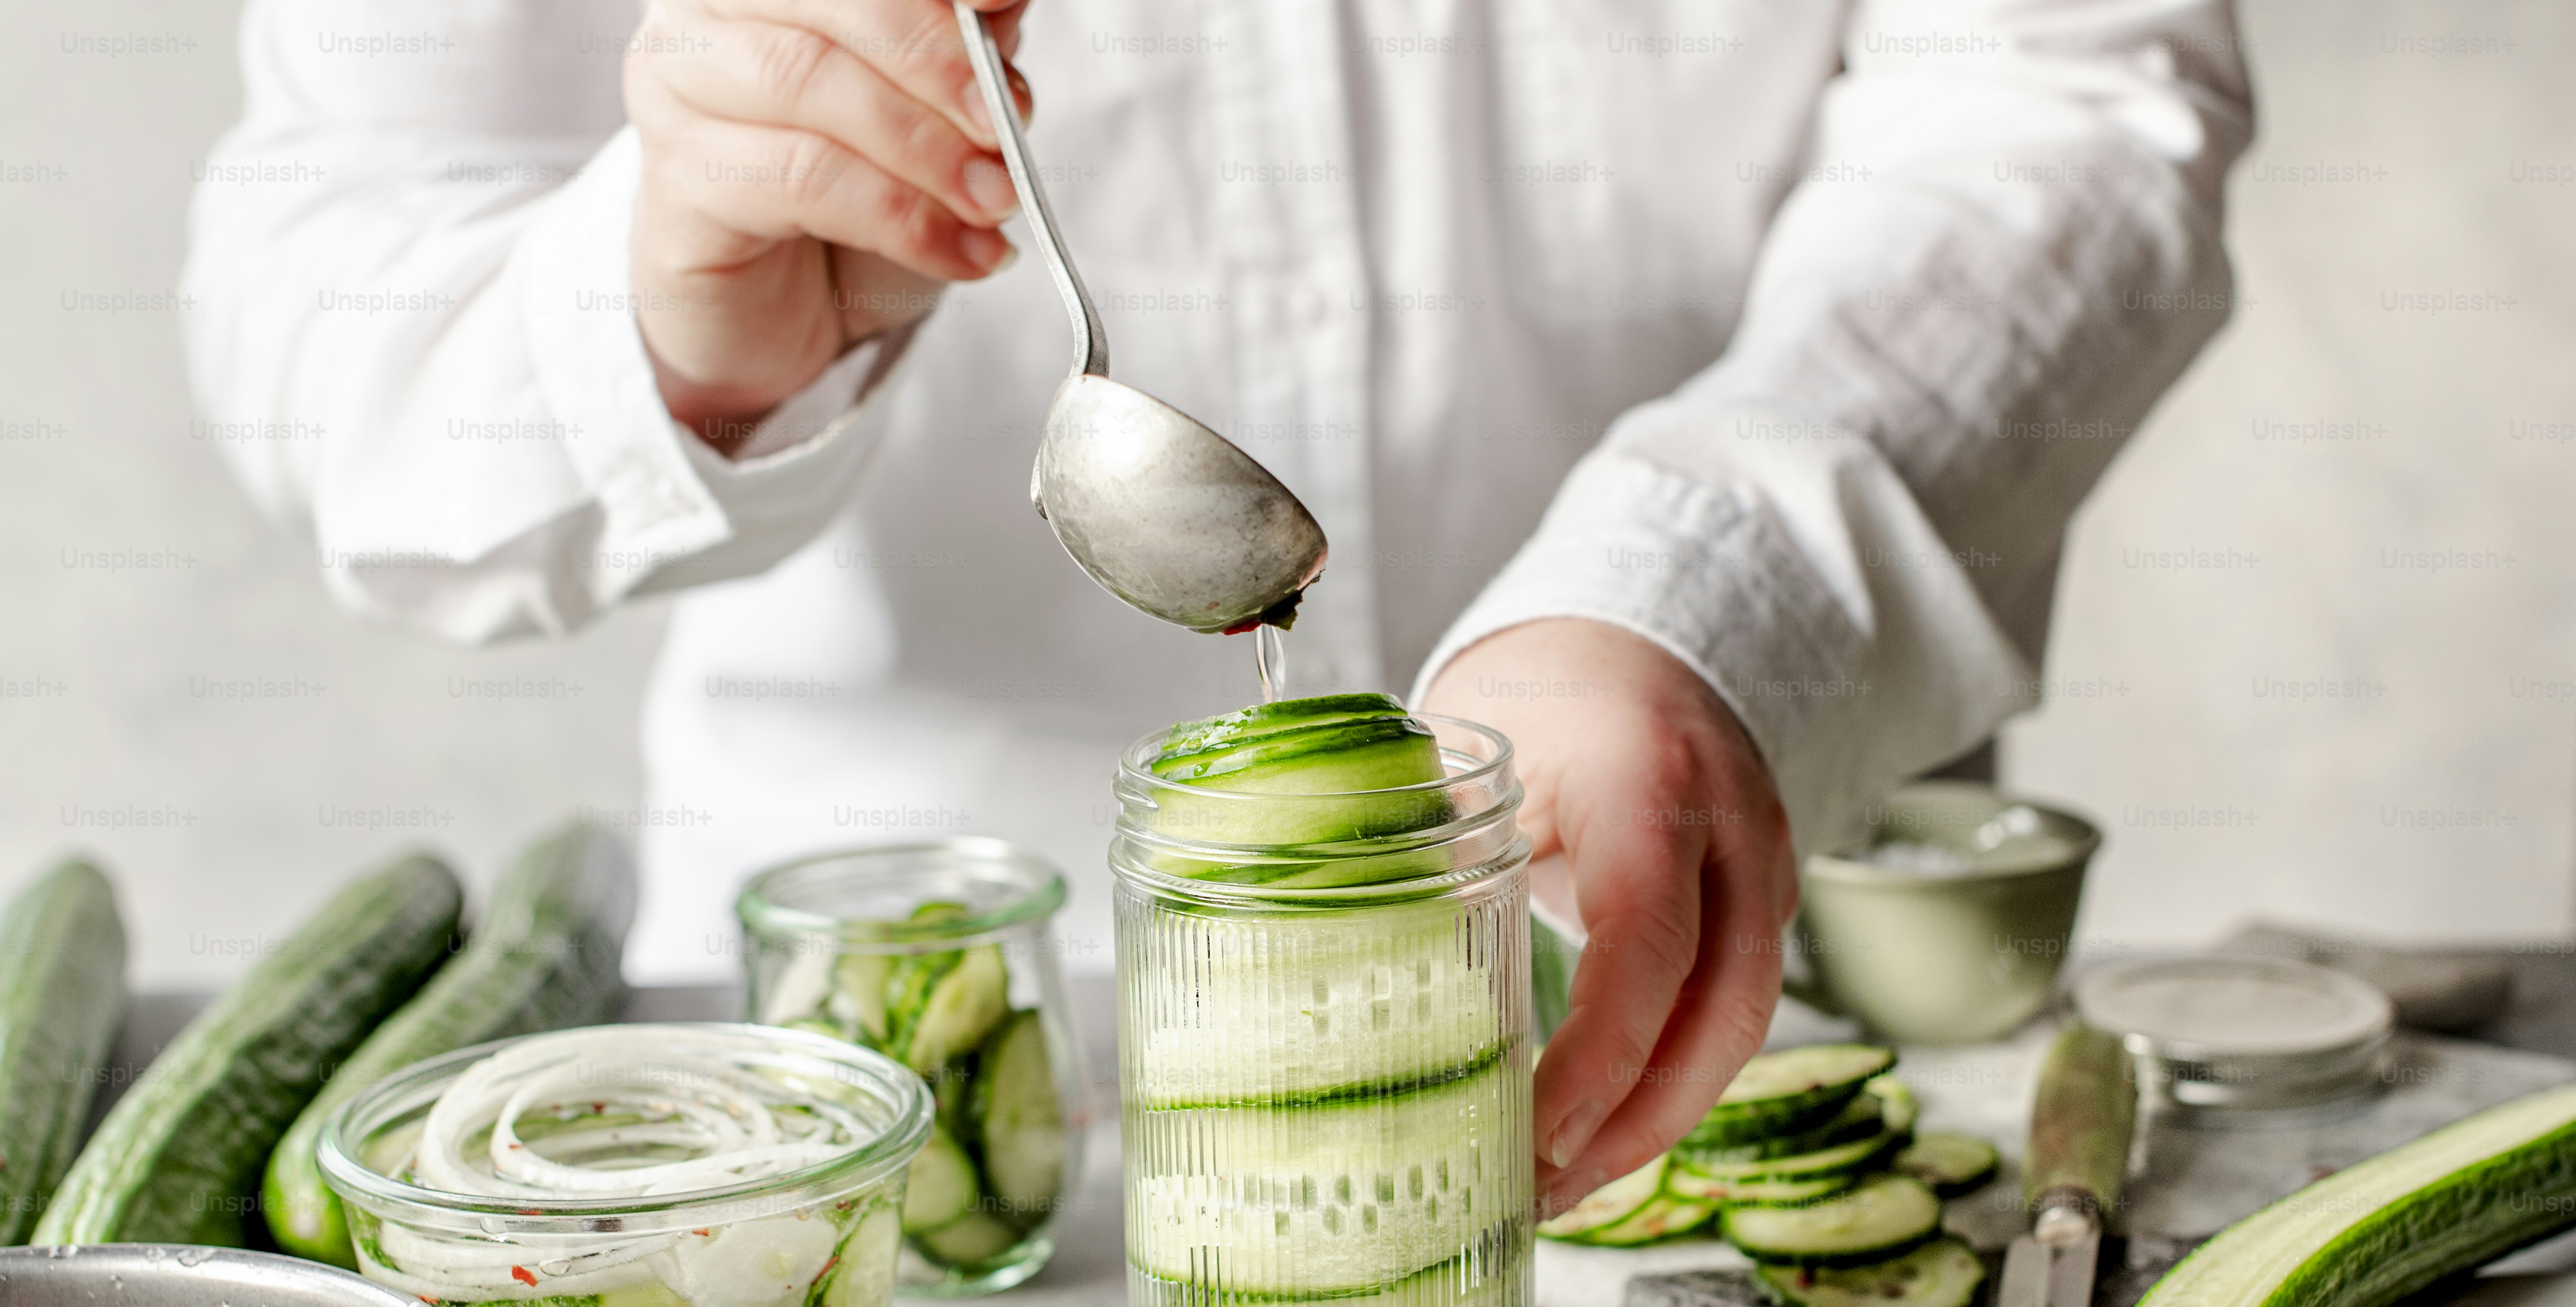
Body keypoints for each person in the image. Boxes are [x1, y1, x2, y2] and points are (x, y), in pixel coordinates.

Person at [184, 0, 2252, 1209]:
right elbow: (328, 288)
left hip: (1716, 965)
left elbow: (2062, 89)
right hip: (928, 1092)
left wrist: (1714, 583)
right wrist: (671, 313)